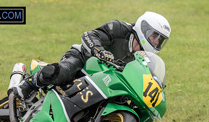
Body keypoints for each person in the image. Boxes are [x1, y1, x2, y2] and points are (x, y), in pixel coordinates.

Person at [13, 11, 171, 100]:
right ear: (144, 28)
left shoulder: (143, 56)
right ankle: (29, 84)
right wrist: (99, 50)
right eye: (154, 36)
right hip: (83, 59)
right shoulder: (120, 29)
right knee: (64, 71)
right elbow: (90, 35)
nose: (156, 42)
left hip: (104, 77)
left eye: (160, 40)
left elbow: (142, 74)